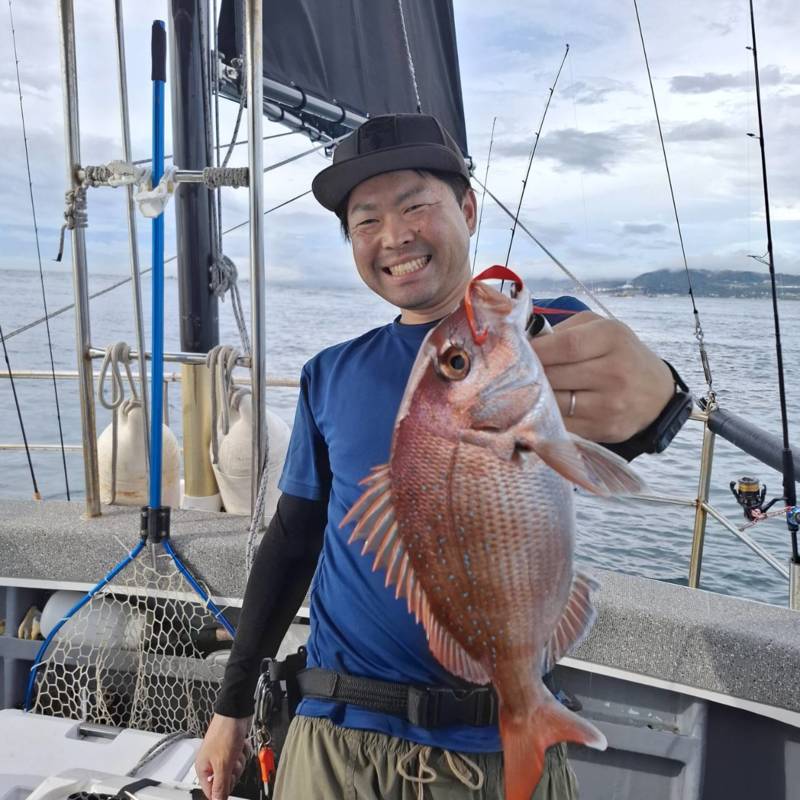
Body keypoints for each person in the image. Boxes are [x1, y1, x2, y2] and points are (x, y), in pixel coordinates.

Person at [195, 113, 691, 799]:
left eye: (415, 206)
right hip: (336, 738)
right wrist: (232, 706)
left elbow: (633, 414)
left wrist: (660, 394)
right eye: (365, 221)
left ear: (466, 209)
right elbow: (290, 543)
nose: (393, 237)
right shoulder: (330, 374)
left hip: (490, 748)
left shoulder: (541, 335)